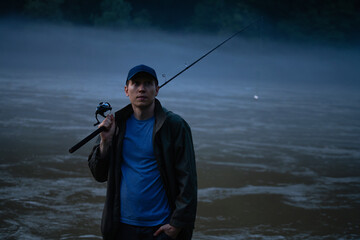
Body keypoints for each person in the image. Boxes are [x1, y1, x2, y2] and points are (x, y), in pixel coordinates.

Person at [88, 64, 197, 240]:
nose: (141, 89)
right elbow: (98, 174)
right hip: (121, 226)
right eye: (136, 83)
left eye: (148, 83)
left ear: (157, 89)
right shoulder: (116, 124)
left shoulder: (175, 126)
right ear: (126, 90)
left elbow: (188, 180)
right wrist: (105, 142)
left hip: (160, 227)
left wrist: (177, 224)